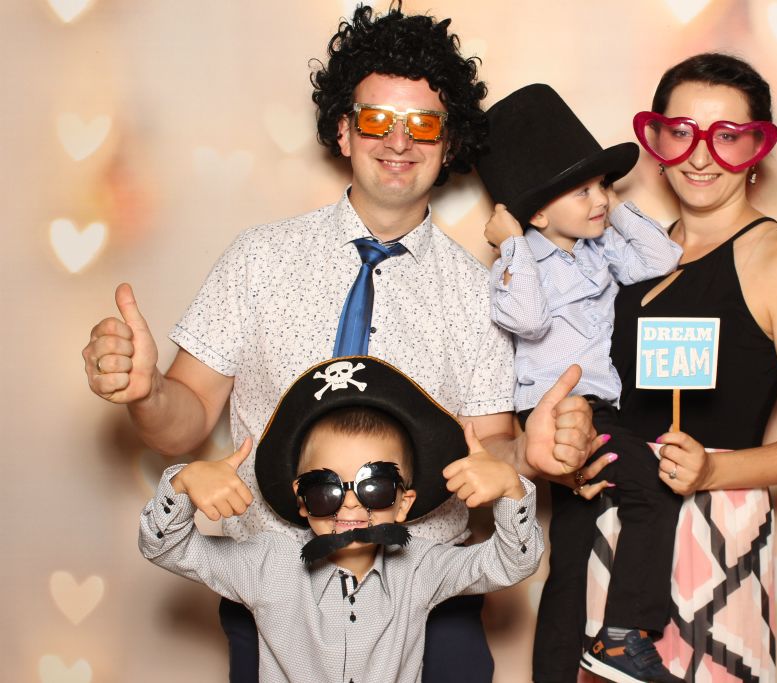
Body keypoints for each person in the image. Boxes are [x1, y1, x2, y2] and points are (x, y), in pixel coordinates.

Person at [82, 4, 597, 681]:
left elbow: (487, 447)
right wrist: (148, 392)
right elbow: (183, 422)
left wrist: (529, 455)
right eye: (378, 118)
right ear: (344, 129)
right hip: (274, 594)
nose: (399, 140)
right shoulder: (258, 259)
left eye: (424, 124)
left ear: (449, 145)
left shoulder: (480, 294)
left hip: (426, 598)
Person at [578, 52, 777, 682]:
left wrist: (714, 469)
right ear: (658, 141)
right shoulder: (633, 254)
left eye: (726, 136)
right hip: (615, 526)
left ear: (756, 149)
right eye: (682, 132)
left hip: (708, 534)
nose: (700, 156)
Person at [140, 356, 544, 683]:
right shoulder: (264, 565)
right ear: (302, 500)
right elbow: (164, 547)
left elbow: (511, 562)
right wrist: (183, 484)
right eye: (325, 489)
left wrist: (511, 491)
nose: (350, 506)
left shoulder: (422, 568)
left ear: (403, 503)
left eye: (375, 487)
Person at [475, 84, 685, 683]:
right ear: (539, 214)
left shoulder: (600, 250)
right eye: (583, 190)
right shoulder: (521, 262)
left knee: (572, 550)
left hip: (598, 411)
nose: (601, 198)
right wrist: (512, 241)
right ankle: (624, 636)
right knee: (653, 490)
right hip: (561, 413)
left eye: (604, 185)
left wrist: (614, 208)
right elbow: (526, 319)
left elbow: (662, 259)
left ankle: (554, 672)